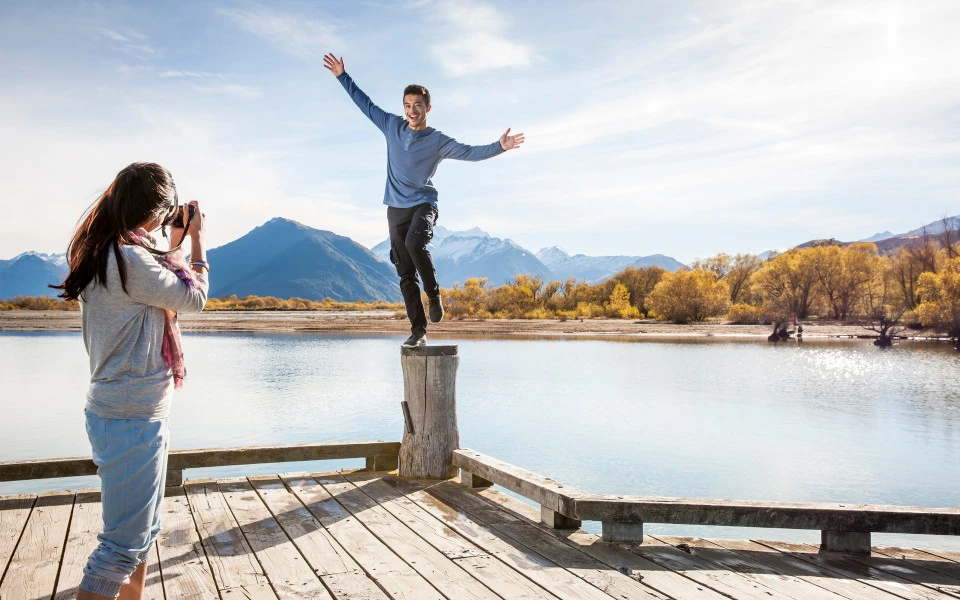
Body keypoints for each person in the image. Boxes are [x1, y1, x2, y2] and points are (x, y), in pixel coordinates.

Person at [52, 163, 209, 600]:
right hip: (131, 416)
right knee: (121, 547)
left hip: (128, 411)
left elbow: (160, 278)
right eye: (165, 212)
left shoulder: (109, 252)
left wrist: (172, 243)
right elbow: (193, 297)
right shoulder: (129, 259)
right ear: (153, 210)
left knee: (142, 534)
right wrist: (196, 240)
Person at [323, 53, 524, 347]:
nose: (412, 110)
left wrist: (499, 147)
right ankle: (419, 331)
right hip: (395, 208)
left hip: (423, 204)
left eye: (417, 105)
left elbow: (470, 152)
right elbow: (365, 103)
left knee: (415, 244)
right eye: (407, 105)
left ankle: (434, 294)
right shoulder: (391, 125)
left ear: (427, 108)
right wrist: (343, 76)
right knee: (404, 272)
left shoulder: (437, 140)